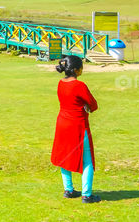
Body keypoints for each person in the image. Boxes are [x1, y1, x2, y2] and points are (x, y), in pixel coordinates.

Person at [50, 55, 100, 203]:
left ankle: (69, 189)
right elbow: (93, 104)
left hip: (62, 124)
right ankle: (87, 194)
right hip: (78, 125)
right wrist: (86, 107)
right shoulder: (79, 86)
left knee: (64, 157)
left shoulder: (61, 83)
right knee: (87, 160)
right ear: (77, 70)